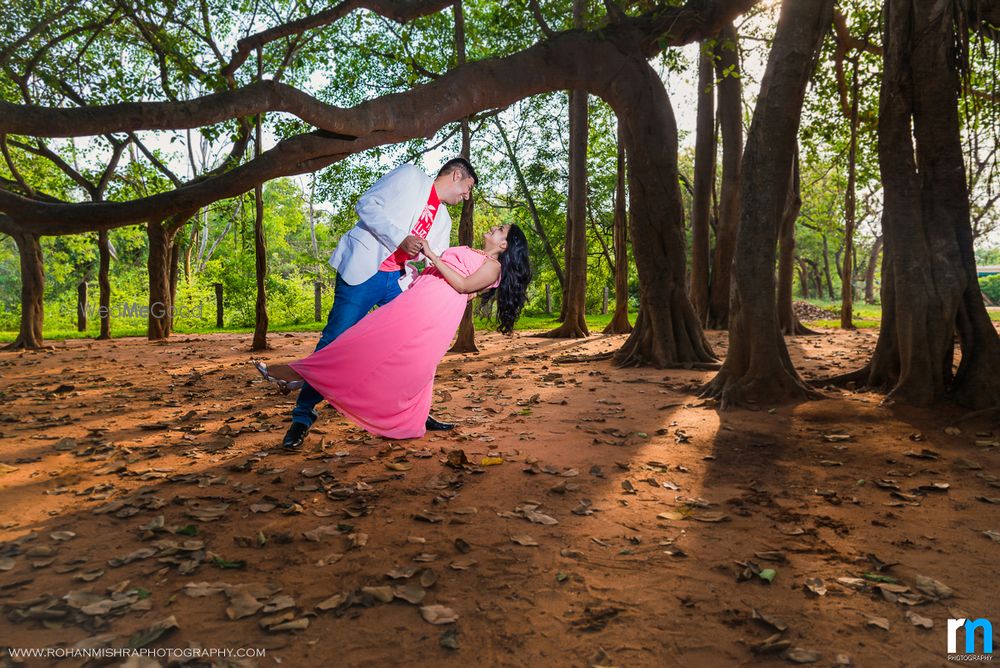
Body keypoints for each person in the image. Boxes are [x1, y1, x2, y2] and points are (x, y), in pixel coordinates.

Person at [254, 224, 531, 440]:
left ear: (504, 244)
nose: (495, 228)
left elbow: (462, 287)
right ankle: (312, 378)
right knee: (371, 341)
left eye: (501, 230)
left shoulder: (494, 267)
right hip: (419, 297)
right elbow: (459, 284)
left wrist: (432, 254)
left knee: (375, 345)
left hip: (434, 310)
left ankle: (299, 373)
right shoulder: (474, 252)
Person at [280, 158, 478, 450]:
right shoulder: (411, 177)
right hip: (364, 271)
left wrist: (465, 286)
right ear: (457, 175)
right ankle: (303, 415)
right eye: (468, 188)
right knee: (334, 339)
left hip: (399, 282)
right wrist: (401, 239)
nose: (467, 196)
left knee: (417, 346)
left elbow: (439, 260)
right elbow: (367, 204)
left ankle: (415, 413)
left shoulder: (444, 220)